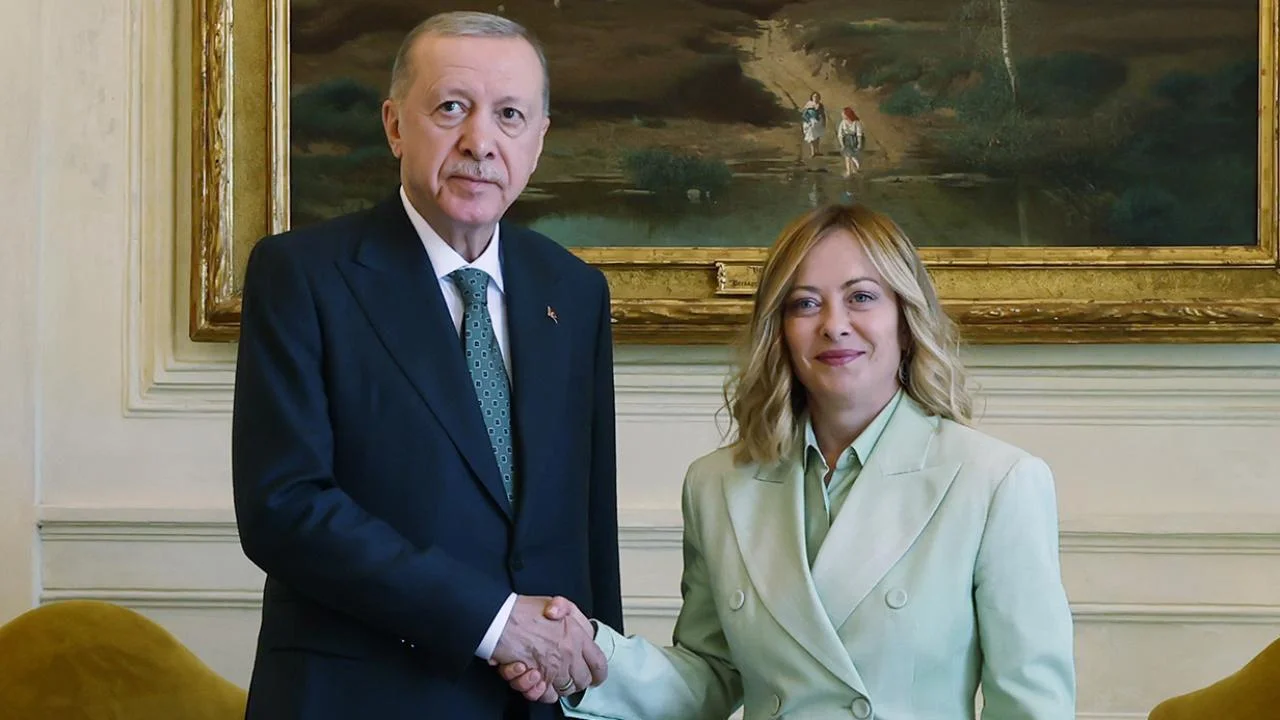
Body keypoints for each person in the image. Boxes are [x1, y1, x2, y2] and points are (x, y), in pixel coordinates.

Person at [501, 203, 1077, 718]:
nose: (834, 324)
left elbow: (1033, 708)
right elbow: (711, 677)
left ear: (906, 319)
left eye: (862, 297)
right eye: (805, 303)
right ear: (779, 331)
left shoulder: (996, 482)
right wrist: (587, 657)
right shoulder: (716, 484)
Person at [231, 11, 623, 720]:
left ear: (538, 140)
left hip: (535, 702)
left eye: (509, 115)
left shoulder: (574, 290)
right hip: (358, 700)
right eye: (451, 108)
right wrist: (495, 623)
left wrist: (589, 676)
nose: (480, 141)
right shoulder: (303, 275)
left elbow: (588, 525)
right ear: (394, 126)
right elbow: (284, 507)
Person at [837, 106, 864, 177]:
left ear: (848, 114)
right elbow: (840, 134)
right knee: (847, 156)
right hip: (847, 140)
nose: (842, 115)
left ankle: (853, 169)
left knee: (851, 155)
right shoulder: (843, 122)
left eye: (843, 114)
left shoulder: (856, 122)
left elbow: (859, 134)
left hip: (855, 140)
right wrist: (842, 144)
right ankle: (849, 171)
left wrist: (859, 143)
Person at [801, 92, 827, 159]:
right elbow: (804, 114)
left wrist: (824, 121)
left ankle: (817, 150)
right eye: (814, 96)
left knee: (817, 136)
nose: (816, 98)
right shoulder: (808, 104)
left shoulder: (820, 105)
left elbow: (823, 114)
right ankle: (813, 152)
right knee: (811, 137)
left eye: (817, 96)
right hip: (810, 122)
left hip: (818, 122)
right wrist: (808, 121)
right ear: (812, 97)